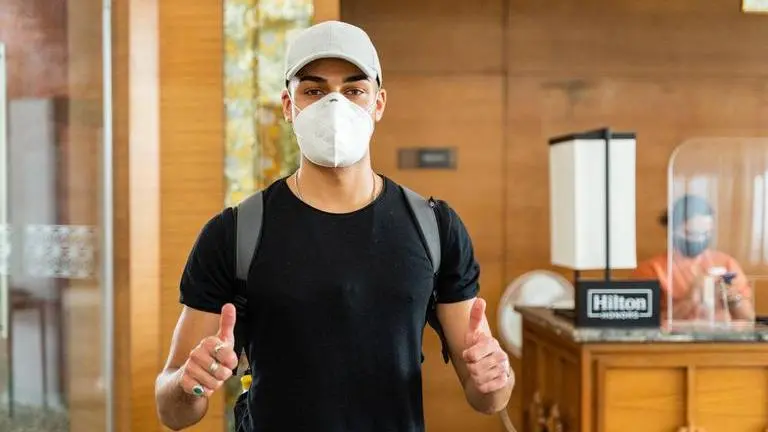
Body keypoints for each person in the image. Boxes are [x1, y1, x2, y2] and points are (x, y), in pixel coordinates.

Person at [154, 20, 514, 431]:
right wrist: (188, 384)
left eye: (354, 90)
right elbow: (172, 411)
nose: (335, 106)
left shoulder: (433, 227)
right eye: (314, 91)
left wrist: (496, 377)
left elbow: (487, 397)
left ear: (378, 103)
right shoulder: (234, 234)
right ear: (288, 106)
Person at [634, 194, 754, 323]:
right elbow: (644, 322)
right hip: (675, 335)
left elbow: (748, 317)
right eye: (692, 233)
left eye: (706, 233)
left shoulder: (726, 263)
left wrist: (732, 298)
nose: (700, 239)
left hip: (721, 334)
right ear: (672, 230)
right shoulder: (652, 269)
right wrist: (690, 298)